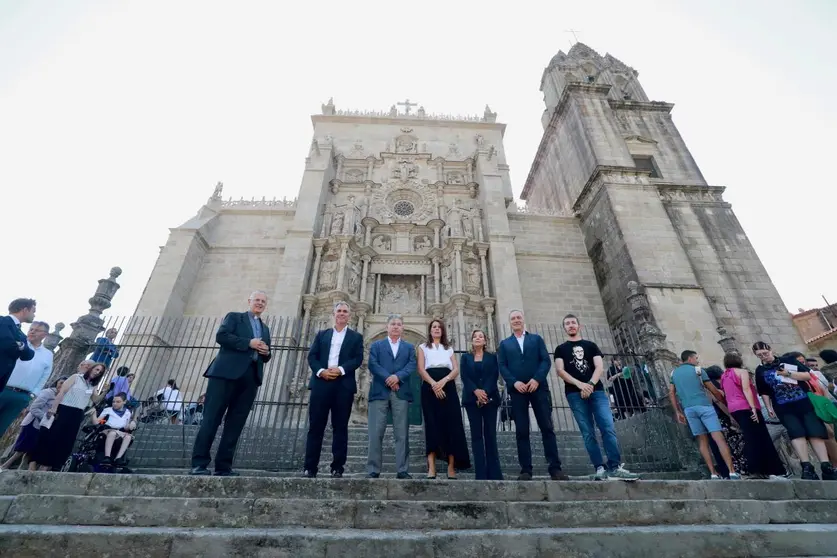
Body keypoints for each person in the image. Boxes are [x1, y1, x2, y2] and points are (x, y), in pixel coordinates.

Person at [190, 290, 272, 477]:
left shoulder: (265, 329)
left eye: (263, 301)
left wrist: (266, 352)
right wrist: (248, 343)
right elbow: (222, 336)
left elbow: (266, 355)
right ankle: (199, 463)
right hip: (225, 375)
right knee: (211, 419)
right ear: (249, 301)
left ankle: (224, 466)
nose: (260, 303)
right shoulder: (235, 317)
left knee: (236, 423)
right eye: (257, 300)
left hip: (250, 377)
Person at [554, 314, 639, 481]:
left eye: (573, 323)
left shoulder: (591, 345)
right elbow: (560, 371)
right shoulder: (560, 349)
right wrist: (580, 385)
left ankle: (615, 467)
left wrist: (590, 384)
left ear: (579, 326)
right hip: (574, 393)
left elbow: (599, 366)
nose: (571, 325)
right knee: (587, 432)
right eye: (567, 324)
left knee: (607, 427)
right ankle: (599, 468)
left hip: (597, 391)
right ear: (564, 328)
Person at [498, 309, 567, 481]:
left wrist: (536, 379)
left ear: (523, 320)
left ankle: (555, 468)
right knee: (521, 430)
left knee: (547, 427)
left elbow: (545, 360)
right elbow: (502, 366)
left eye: (518, 317)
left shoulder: (536, 339)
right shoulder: (505, 344)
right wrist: (514, 382)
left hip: (538, 388)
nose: (516, 320)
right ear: (510, 322)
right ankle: (526, 470)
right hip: (517, 391)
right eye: (513, 318)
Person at [752, 341, 835, 480]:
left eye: (765, 353)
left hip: (804, 401)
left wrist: (788, 374)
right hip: (783, 406)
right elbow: (764, 391)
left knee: (815, 431)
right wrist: (769, 407)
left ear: (771, 350)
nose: (764, 357)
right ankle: (806, 466)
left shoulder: (788, 360)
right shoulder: (760, 370)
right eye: (760, 355)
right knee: (796, 433)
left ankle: (826, 465)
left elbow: (807, 376)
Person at [303, 301, 364, 478]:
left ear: (349, 315)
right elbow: (312, 357)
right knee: (316, 426)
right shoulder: (322, 335)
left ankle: (337, 467)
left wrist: (341, 369)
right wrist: (321, 371)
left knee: (340, 427)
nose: (342, 313)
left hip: (343, 384)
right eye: (339, 311)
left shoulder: (356, 337)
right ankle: (310, 467)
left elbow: (357, 359)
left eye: (345, 311)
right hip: (321, 382)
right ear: (334, 314)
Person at [669, 350, 740, 479]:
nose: (697, 360)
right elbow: (713, 390)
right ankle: (732, 471)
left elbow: (671, 393)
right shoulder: (698, 370)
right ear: (690, 359)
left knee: (702, 441)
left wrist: (677, 411)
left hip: (689, 409)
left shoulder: (674, 374)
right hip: (705, 407)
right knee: (719, 438)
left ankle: (713, 473)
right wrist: (724, 401)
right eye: (696, 358)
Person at [719, 353, 788, 479]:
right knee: (759, 437)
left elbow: (726, 394)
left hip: (734, 409)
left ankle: (756, 469)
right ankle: (765, 469)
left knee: (749, 437)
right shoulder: (742, 372)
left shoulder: (724, 376)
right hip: (746, 406)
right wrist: (753, 408)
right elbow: (746, 389)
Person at [417, 319, 470, 479]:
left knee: (451, 425)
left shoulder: (449, 349)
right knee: (432, 425)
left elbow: (455, 369)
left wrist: (444, 381)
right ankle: (431, 467)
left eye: (439, 327)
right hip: (429, 386)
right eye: (434, 327)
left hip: (448, 386)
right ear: (430, 330)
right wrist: (434, 384)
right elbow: (421, 369)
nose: (436, 329)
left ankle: (451, 467)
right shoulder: (423, 347)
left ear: (443, 331)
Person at [30, 362, 106, 471]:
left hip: (78, 413)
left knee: (66, 441)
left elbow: (95, 400)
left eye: (100, 372)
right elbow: (62, 392)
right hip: (65, 409)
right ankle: (40, 464)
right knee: (53, 437)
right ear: (92, 368)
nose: (97, 372)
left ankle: (50, 466)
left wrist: (105, 391)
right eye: (97, 369)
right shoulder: (76, 377)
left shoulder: (93, 385)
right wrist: (54, 408)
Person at [366, 313, 416, 479]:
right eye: (393, 324)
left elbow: (411, 365)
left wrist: (397, 377)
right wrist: (389, 378)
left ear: (402, 328)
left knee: (402, 433)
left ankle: (402, 469)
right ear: (387, 327)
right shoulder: (376, 345)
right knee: (375, 432)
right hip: (379, 391)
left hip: (400, 392)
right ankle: (373, 469)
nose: (395, 326)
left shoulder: (409, 347)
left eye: (399, 324)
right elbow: (373, 364)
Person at [460, 329, 503, 480]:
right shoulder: (465, 358)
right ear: (471, 340)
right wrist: (476, 391)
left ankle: (495, 472)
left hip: (490, 399)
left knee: (490, 435)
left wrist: (484, 392)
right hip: (472, 400)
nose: (478, 338)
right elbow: (464, 376)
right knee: (476, 436)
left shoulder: (492, 357)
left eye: (481, 336)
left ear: (485, 341)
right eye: (475, 336)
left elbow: (493, 375)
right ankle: (481, 473)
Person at [0, 376, 66, 472]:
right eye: (61, 382)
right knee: (22, 448)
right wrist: (46, 418)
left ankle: (20, 470)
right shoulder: (48, 392)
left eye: (64, 384)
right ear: (57, 383)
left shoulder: (62, 397)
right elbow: (34, 408)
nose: (62, 385)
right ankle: (5, 466)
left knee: (31, 451)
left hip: (43, 427)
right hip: (33, 423)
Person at [0, 320, 53, 437]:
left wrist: (33, 394)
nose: (32, 332)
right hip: (3, 389)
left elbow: (45, 375)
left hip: (22, 396)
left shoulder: (48, 354)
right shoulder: (18, 344)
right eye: (31, 329)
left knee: (2, 427)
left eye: (37, 330)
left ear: (45, 335)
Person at [0, 298, 37, 394]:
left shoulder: (22, 335)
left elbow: (28, 356)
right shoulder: (2, 321)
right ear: (25, 310)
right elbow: (7, 344)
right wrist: (21, 348)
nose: (34, 315)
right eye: (33, 311)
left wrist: (20, 345)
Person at [95, 393, 137, 465]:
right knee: (113, 433)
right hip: (108, 430)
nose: (115, 403)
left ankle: (118, 458)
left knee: (128, 437)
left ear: (124, 402)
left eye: (118, 402)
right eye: (113, 402)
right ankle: (107, 456)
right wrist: (93, 414)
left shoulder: (128, 412)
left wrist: (132, 423)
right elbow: (97, 422)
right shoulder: (108, 410)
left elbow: (126, 427)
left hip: (120, 431)